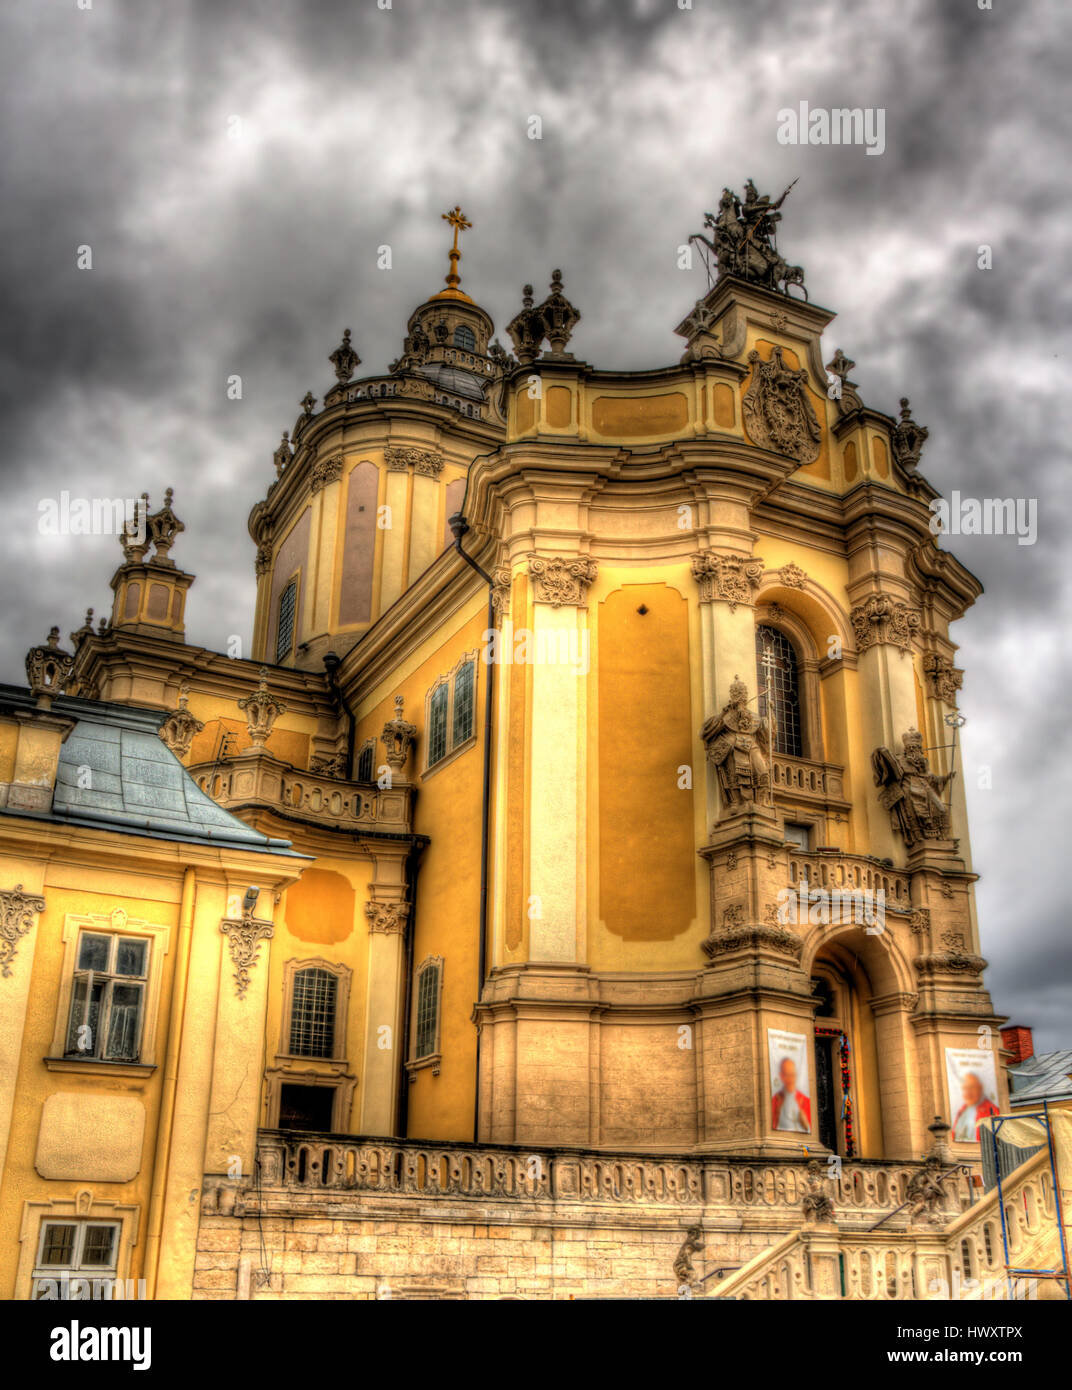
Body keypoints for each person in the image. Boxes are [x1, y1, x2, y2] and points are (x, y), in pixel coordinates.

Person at [952, 1071, 999, 1142]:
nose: (968, 1092)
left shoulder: (991, 1109)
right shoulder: (962, 1111)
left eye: (971, 1087)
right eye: (965, 1088)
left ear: (980, 1088)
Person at [772, 1056, 811, 1132]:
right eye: (787, 1075)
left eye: (793, 1075)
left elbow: (810, 1129)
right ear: (781, 1076)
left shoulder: (806, 1101)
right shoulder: (774, 1101)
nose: (791, 1079)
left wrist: (806, 1124)